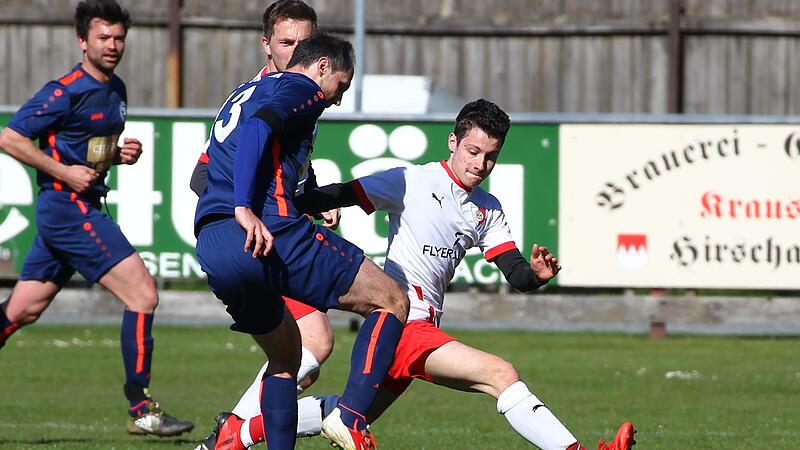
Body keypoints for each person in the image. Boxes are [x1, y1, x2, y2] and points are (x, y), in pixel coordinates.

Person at [202, 99, 637, 450]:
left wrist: (536, 276)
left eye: (491, 157)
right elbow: (340, 193)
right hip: (400, 320)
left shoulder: (488, 209)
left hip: (417, 327)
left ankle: (236, 435)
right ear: (453, 142)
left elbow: (514, 272)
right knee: (501, 374)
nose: (480, 164)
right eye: (473, 151)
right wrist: (301, 204)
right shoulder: (412, 181)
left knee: (345, 412)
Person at [194, 32, 409, 450]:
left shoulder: (245, 89)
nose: (337, 99)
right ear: (322, 66)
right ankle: (349, 418)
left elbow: (214, 167)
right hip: (266, 232)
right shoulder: (301, 87)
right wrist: (244, 207)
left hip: (213, 243)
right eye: (341, 86)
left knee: (286, 356)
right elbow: (259, 129)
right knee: (392, 300)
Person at [0, 0, 193, 437]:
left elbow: (86, 149)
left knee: (23, 308)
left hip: (74, 209)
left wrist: (118, 155)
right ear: (82, 41)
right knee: (143, 295)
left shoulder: (116, 89)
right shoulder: (64, 90)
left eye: (119, 37)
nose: (112, 45)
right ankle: (141, 407)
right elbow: (11, 138)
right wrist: (65, 172)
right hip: (68, 210)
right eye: (103, 37)